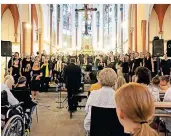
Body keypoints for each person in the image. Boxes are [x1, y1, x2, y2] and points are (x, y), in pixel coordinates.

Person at [84, 68, 117, 133]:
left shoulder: (93, 94)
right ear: (115, 80)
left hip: (96, 131)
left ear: (100, 79)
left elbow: (87, 111)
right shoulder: (119, 96)